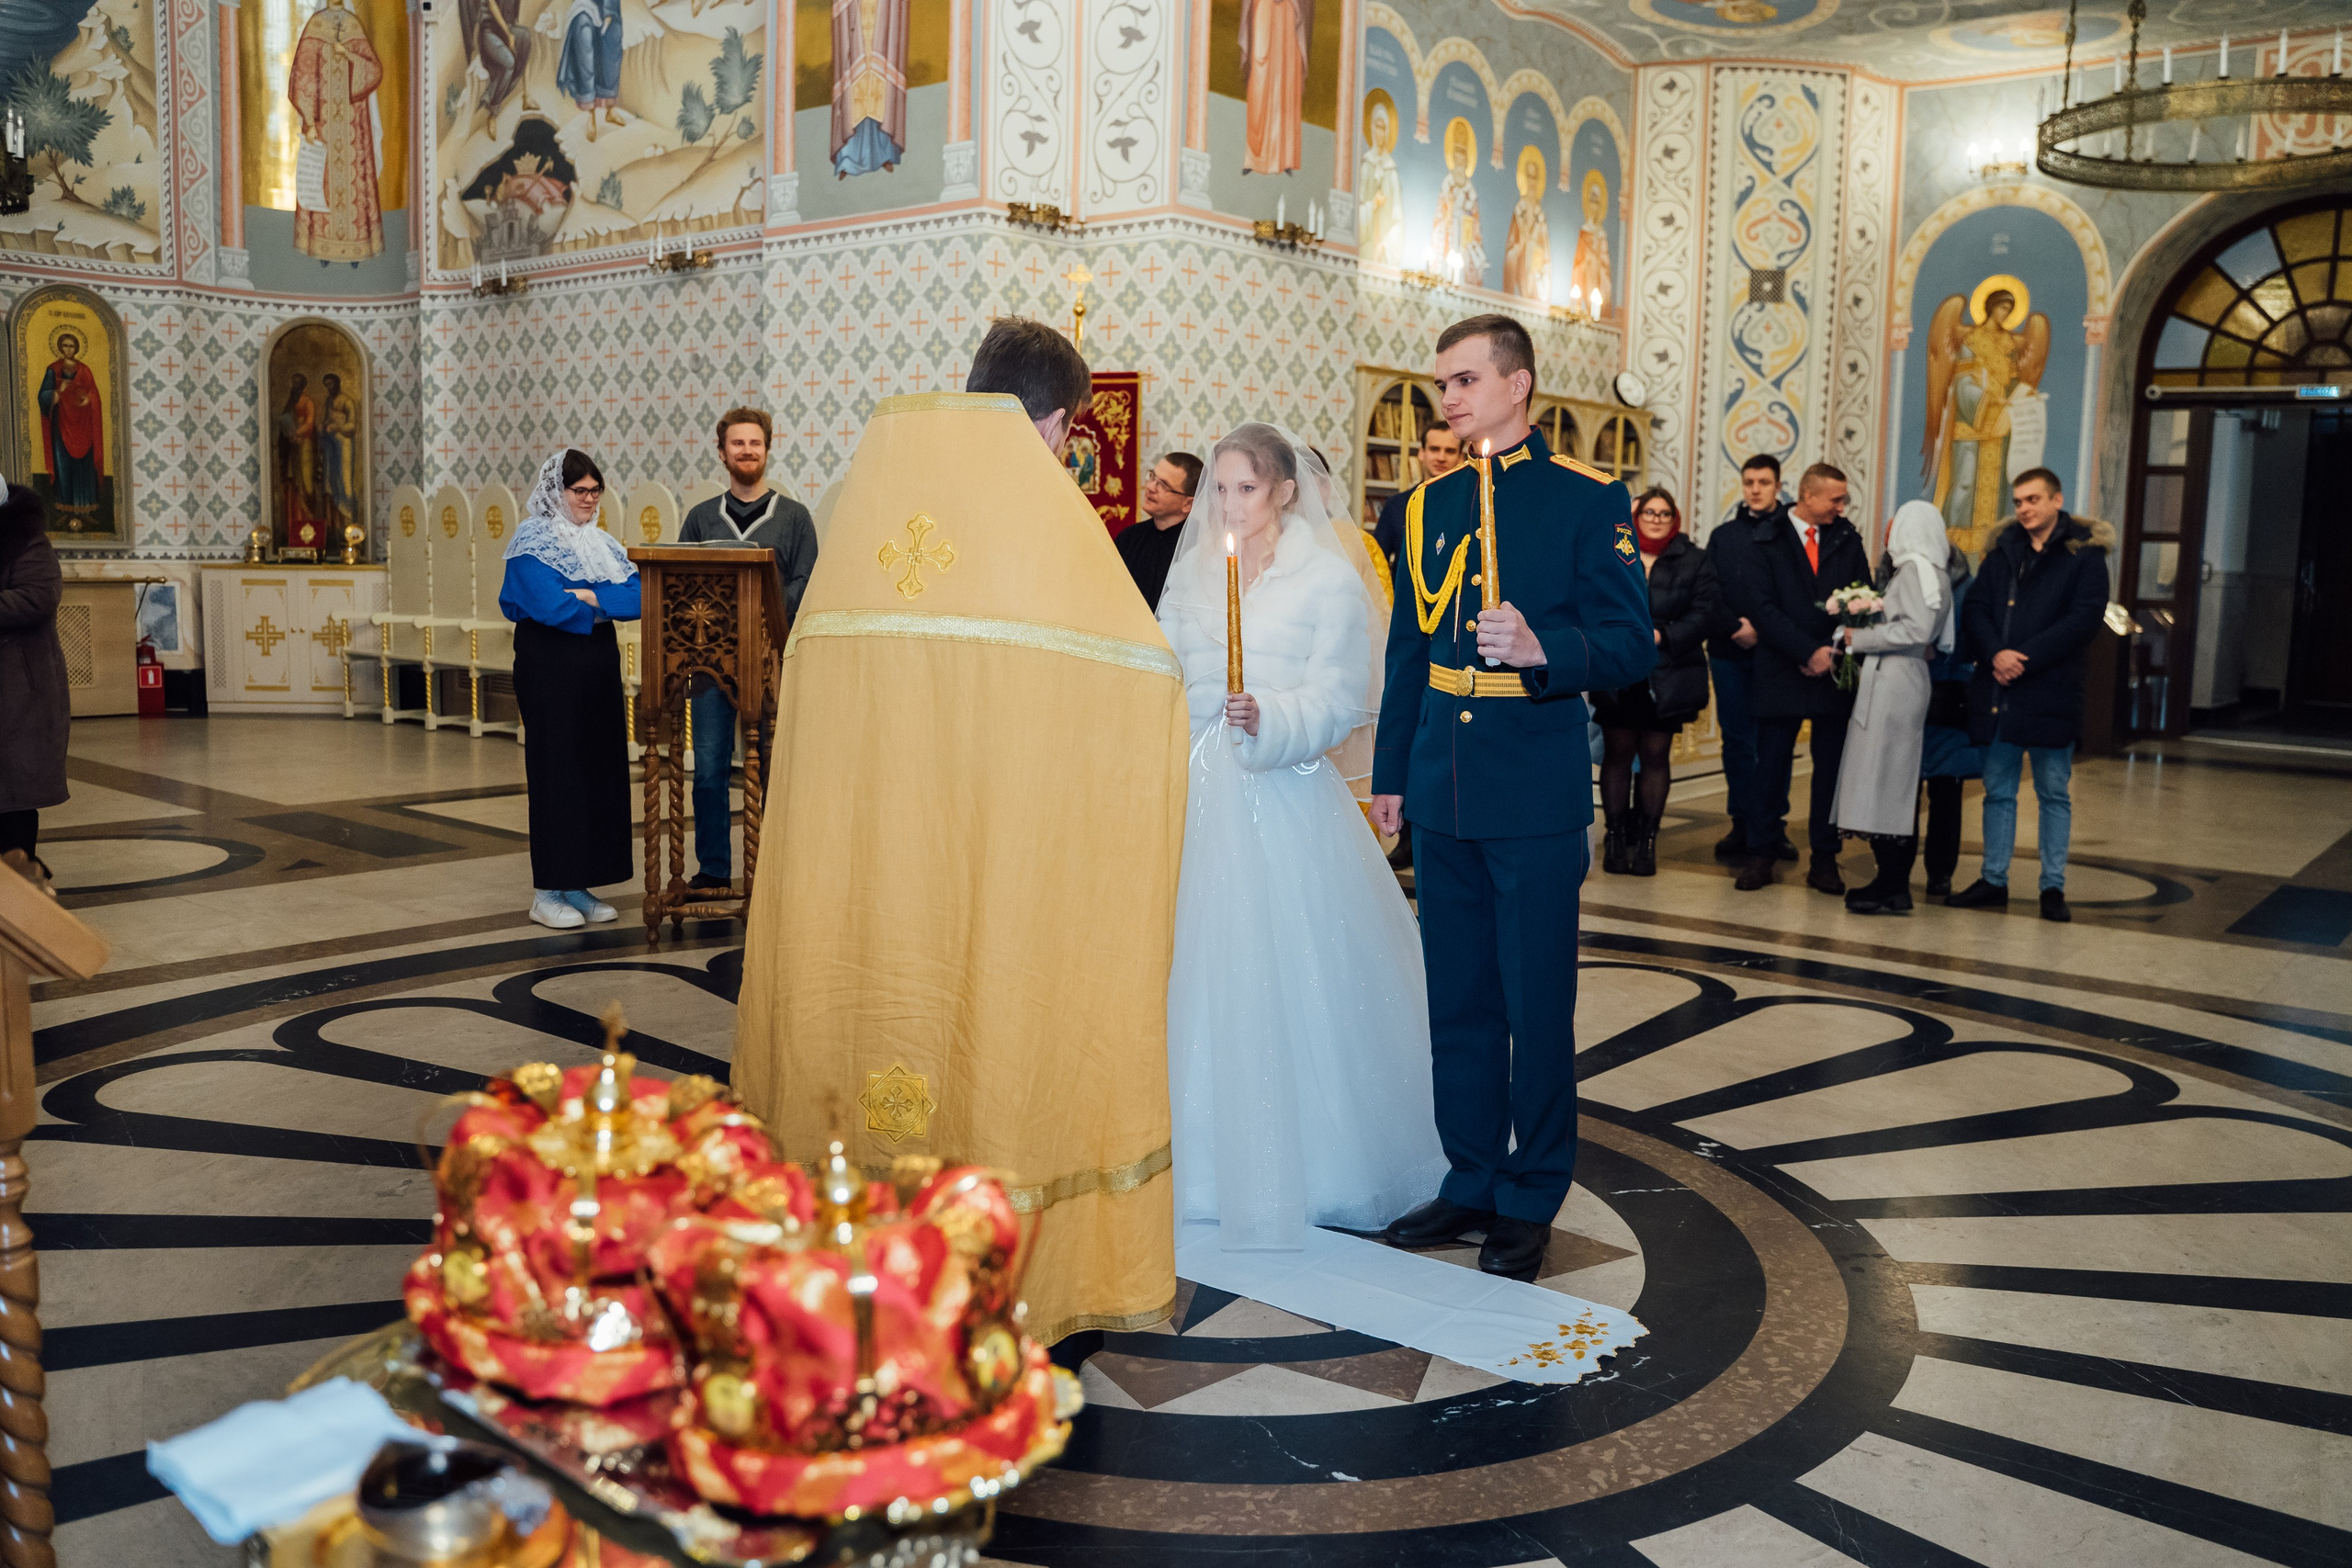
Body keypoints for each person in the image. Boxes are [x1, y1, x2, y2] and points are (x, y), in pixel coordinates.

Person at [732, 319, 1188, 1344]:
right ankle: (996, 1266)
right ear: (1061, 423)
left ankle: (839, 1240)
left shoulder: (869, 494)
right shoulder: (1043, 515)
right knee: (987, 1030)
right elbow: (1137, 677)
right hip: (991, 857)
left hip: (868, 861)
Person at [1370, 314, 1654, 1280]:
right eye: (1440, 384)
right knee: (1457, 1005)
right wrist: (1390, 778)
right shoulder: (1424, 505)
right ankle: (1470, 1180)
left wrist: (1546, 652)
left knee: (1535, 1008)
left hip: (1531, 792)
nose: (1447, 399)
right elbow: (1410, 649)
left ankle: (1530, 1195)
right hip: (1442, 794)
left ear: (1518, 384)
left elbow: (1631, 643)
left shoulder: (1585, 499)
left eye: (1463, 381)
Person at [1157, 423, 1446, 1249]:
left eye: (1245, 488)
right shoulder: (1193, 578)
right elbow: (1160, 663)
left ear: (1284, 490)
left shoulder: (1327, 581)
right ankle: (1195, 1155)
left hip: (1284, 789)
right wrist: (1189, 708)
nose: (1229, 503)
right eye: (1219, 488)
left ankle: (1324, 1160)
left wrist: (1272, 717)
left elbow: (1341, 694)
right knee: (1198, 960)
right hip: (1198, 783)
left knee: (1296, 961)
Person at [1947, 468, 2111, 922]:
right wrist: (1997, 653)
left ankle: (2052, 887)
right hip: (1999, 689)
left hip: (2049, 689)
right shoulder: (2002, 553)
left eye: (2033, 500)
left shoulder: (2085, 556)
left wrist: (2024, 658)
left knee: (2053, 790)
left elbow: (2083, 620)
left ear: (2057, 500)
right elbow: (1977, 608)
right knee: (1998, 789)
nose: (2024, 509)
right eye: (2018, 501)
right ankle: (1993, 879)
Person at [676, 408, 819, 895]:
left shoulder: (795, 518)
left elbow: (806, 582)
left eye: (754, 443)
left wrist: (761, 618)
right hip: (710, 667)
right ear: (722, 453)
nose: (747, 451)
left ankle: (778, 869)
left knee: (777, 768)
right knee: (710, 770)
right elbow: (681, 589)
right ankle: (714, 869)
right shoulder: (699, 519)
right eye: (737, 444)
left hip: (771, 665)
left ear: (767, 449)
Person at [499, 449, 640, 931]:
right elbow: (546, 604)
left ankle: (579, 884)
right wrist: (602, 605)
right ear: (556, 493)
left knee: (596, 768)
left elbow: (640, 596)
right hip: (549, 664)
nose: (588, 499)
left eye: (595, 491)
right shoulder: (531, 541)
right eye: (579, 491)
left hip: (597, 664)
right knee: (556, 768)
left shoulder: (602, 543)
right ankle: (546, 892)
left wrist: (592, 597)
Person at [1736, 462, 1868, 894]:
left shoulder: (1847, 538)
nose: (1841, 507)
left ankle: (1825, 860)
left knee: (1830, 771)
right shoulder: (1766, 537)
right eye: (1835, 498)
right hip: (1781, 669)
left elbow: (1862, 597)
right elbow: (1762, 606)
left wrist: (1829, 652)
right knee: (1770, 768)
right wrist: (1804, 650)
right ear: (1808, 496)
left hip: (1831, 670)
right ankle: (1761, 855)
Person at [1833, 502, 1952, 915]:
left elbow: (1916, 629)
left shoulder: (1918, 569)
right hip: (1900, 675)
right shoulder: (1925, 569)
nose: (1888, 531)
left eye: (1895, 524)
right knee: (1887, 777)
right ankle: (1889, 880)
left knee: (1889, 779)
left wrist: (1858, 637)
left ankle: (1892, 883)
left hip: (1897, 680)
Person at [1595, 486, 1716, 878]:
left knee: (1654, 756)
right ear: (1637, 515)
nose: (1657, 519)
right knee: (1616, 754)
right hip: (1619, 671)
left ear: (1674, 518)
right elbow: (1596, 601)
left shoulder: (1694, 559)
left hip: (1669, 674)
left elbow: (1704, 613)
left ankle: (1646, 842)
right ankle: (1615, 839)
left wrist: (1664, 636)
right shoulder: (1614, 553)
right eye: (1650, 512)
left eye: (1664, 513)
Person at [1707, 454, 1794, 864]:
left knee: (1773, 744)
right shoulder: (1724, 536)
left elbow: (1795, 594)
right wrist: (1733, 626)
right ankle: (1742, 820)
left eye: (1763, 482)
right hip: (1729, 651)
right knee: (1738, 742)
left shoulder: (1791, 534)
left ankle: (1773, 825)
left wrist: (1765, 628)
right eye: (1749, 482)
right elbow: (1709, 591)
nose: (1755, 489)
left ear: (1779, 485)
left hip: (1776, 655)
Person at [0, 471, 67, 897]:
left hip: (16, 693)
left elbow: (36, 597)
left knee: (11, 799)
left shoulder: (26, 540)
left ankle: (22, 897)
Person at [1919, 549, 1985, 898]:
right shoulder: (1892, 574)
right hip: (1908, 692)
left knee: (1946, 791)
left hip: (1948, 695)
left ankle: (1941, 872)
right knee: (1903, 790)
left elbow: (1975, 634)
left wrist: (1946, 653)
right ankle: (1895, 864)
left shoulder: (1965, 585)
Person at [1114, 450, 1202, 611]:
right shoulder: (1128, 538)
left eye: (1164, 485)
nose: (1150, 487)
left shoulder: (1202, 546)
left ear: (1188, 504)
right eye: (1153, 477)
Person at [1373, 422, 1464, 571]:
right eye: (1434, 449)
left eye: (1450, 451)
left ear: (1461, 457)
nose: (1441, 457)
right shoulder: (1396, 506)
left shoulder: (1470, 505)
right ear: (1421, 453)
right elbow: (1376, 565)